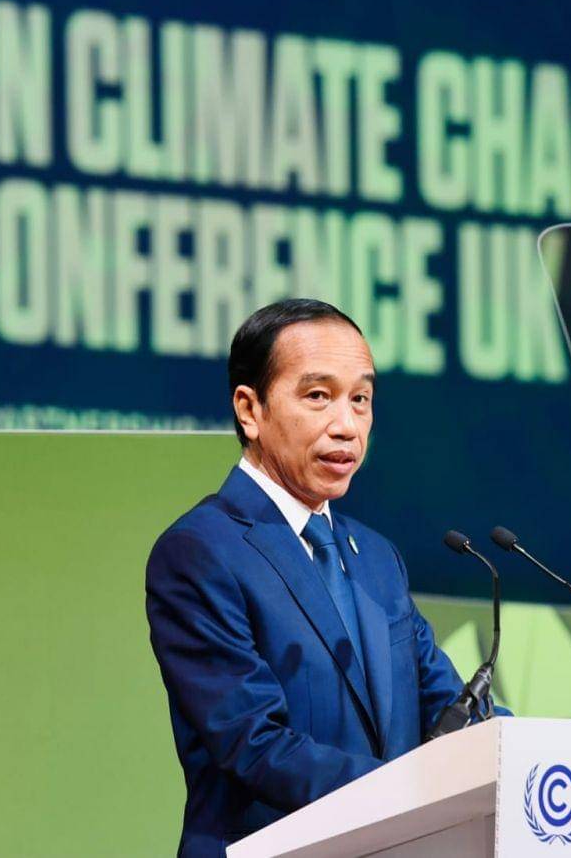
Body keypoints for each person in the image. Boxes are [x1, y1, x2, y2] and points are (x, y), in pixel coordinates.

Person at [146, 299, 502, 858]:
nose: (347, 426)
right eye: (318, 396)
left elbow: (447, 707)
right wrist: (409, 794)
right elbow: (255, 744)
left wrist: (526, 754)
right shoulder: (200, 552)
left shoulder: (377, 558)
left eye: (361, 399)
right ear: (250, 409)